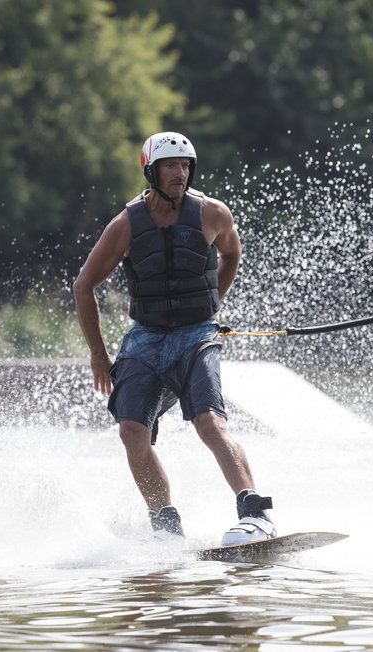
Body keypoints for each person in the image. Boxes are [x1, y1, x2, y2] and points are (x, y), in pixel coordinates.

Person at [73, 132, 275, 545]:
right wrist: (98, 354)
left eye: (185, 166)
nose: (180, 173)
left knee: (209, 422)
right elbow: (83, 286)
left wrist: (213, 300)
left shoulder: (212, 214)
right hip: (146, 338)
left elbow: (232, 254)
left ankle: (255, 512)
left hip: (195, 335)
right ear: (152, 172)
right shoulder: (127, 226)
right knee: (132, 431)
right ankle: (165, 524)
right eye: (171, 166)